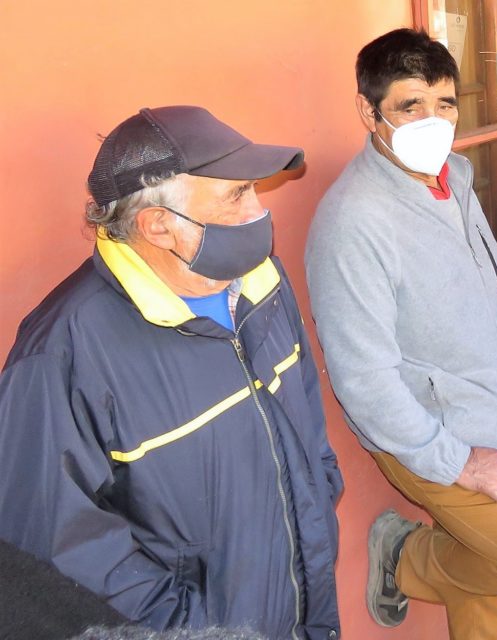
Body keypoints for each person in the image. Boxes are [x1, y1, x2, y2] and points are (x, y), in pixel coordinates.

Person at [0, 106, 342, 638]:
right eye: (237, 194)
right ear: (158, 224)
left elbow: (306, 425)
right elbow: (54, 549)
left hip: (306, 610)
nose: (259, 211)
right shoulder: (62, 355)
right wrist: (190, 628)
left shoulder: (262, 283)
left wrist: (319, 506)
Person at [304, 29, 497, 638]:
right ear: (369, 112)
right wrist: (458, 463)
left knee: (479, 589)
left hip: (482, 420)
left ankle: (421, 562)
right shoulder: (353, 221)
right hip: (431, 439)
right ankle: (403, 559)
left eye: (444, 103)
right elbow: (363, 379)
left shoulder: (455, 179)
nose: (433, 121)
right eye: (409, 106)